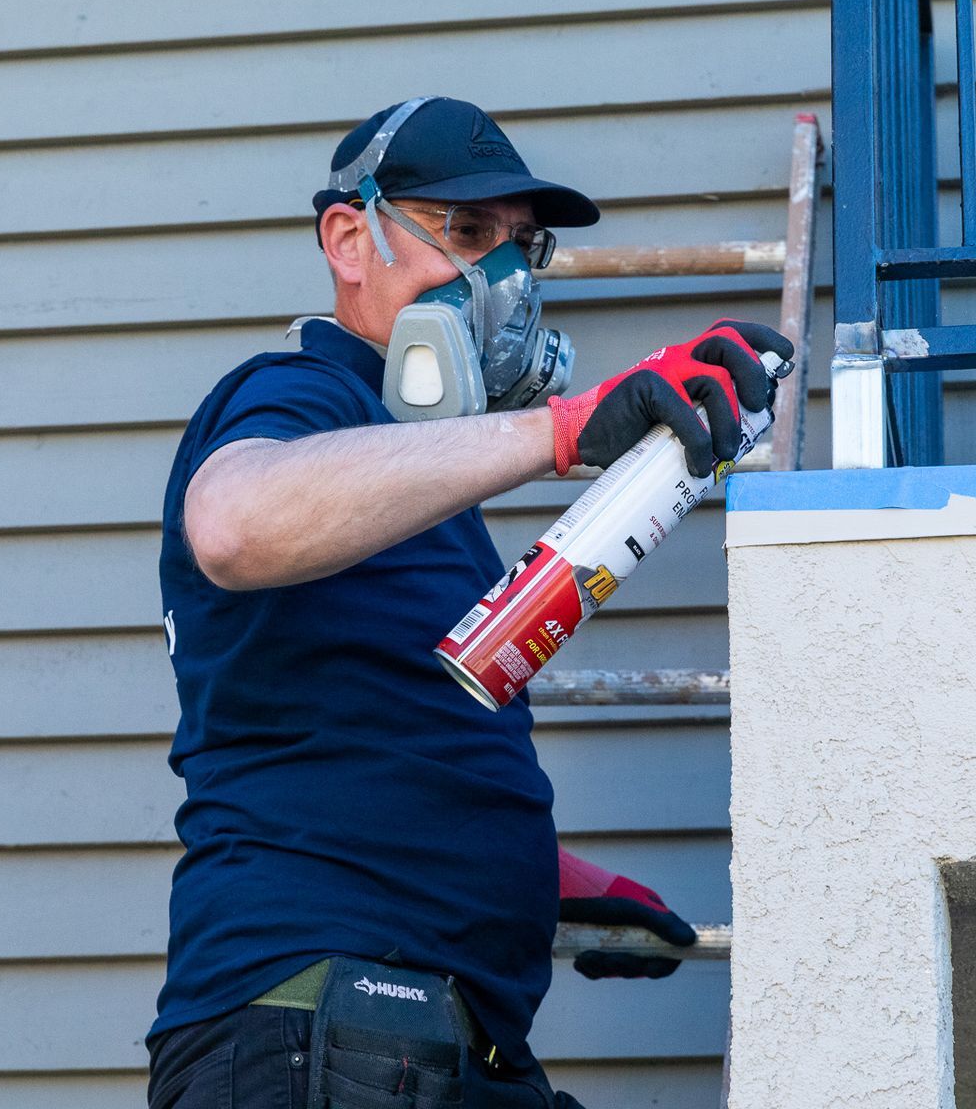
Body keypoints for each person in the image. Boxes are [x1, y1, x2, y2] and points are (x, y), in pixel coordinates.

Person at [150, 96, 794, 1108]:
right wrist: (562, 430)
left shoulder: (426, 488)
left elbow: (374, 732)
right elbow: (232, 522)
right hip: (320, 1016)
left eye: (520, 246)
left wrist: (539, 876)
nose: (500, 276)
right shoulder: (302, 394)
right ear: (349, 238)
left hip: (437, 1032)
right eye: (465, 231)